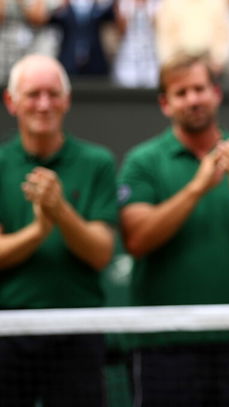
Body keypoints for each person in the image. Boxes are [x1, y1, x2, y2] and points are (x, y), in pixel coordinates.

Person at [117, 53, 229, 406]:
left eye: (199, 89)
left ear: (216, 93)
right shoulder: (142, 162)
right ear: (165, 104)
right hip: (164, 342)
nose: (193, 99)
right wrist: (196, 187)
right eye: (181, 93)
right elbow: (136, 239)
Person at [0, 54, 116, 406]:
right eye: (33, 94)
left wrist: (60, 209)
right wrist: (39, 229)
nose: (44, 104)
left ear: (67, 100)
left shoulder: (97, 162)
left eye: (53, 94)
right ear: (12, 102)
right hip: (8, 332)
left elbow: (100, 253)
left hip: (77, 330)